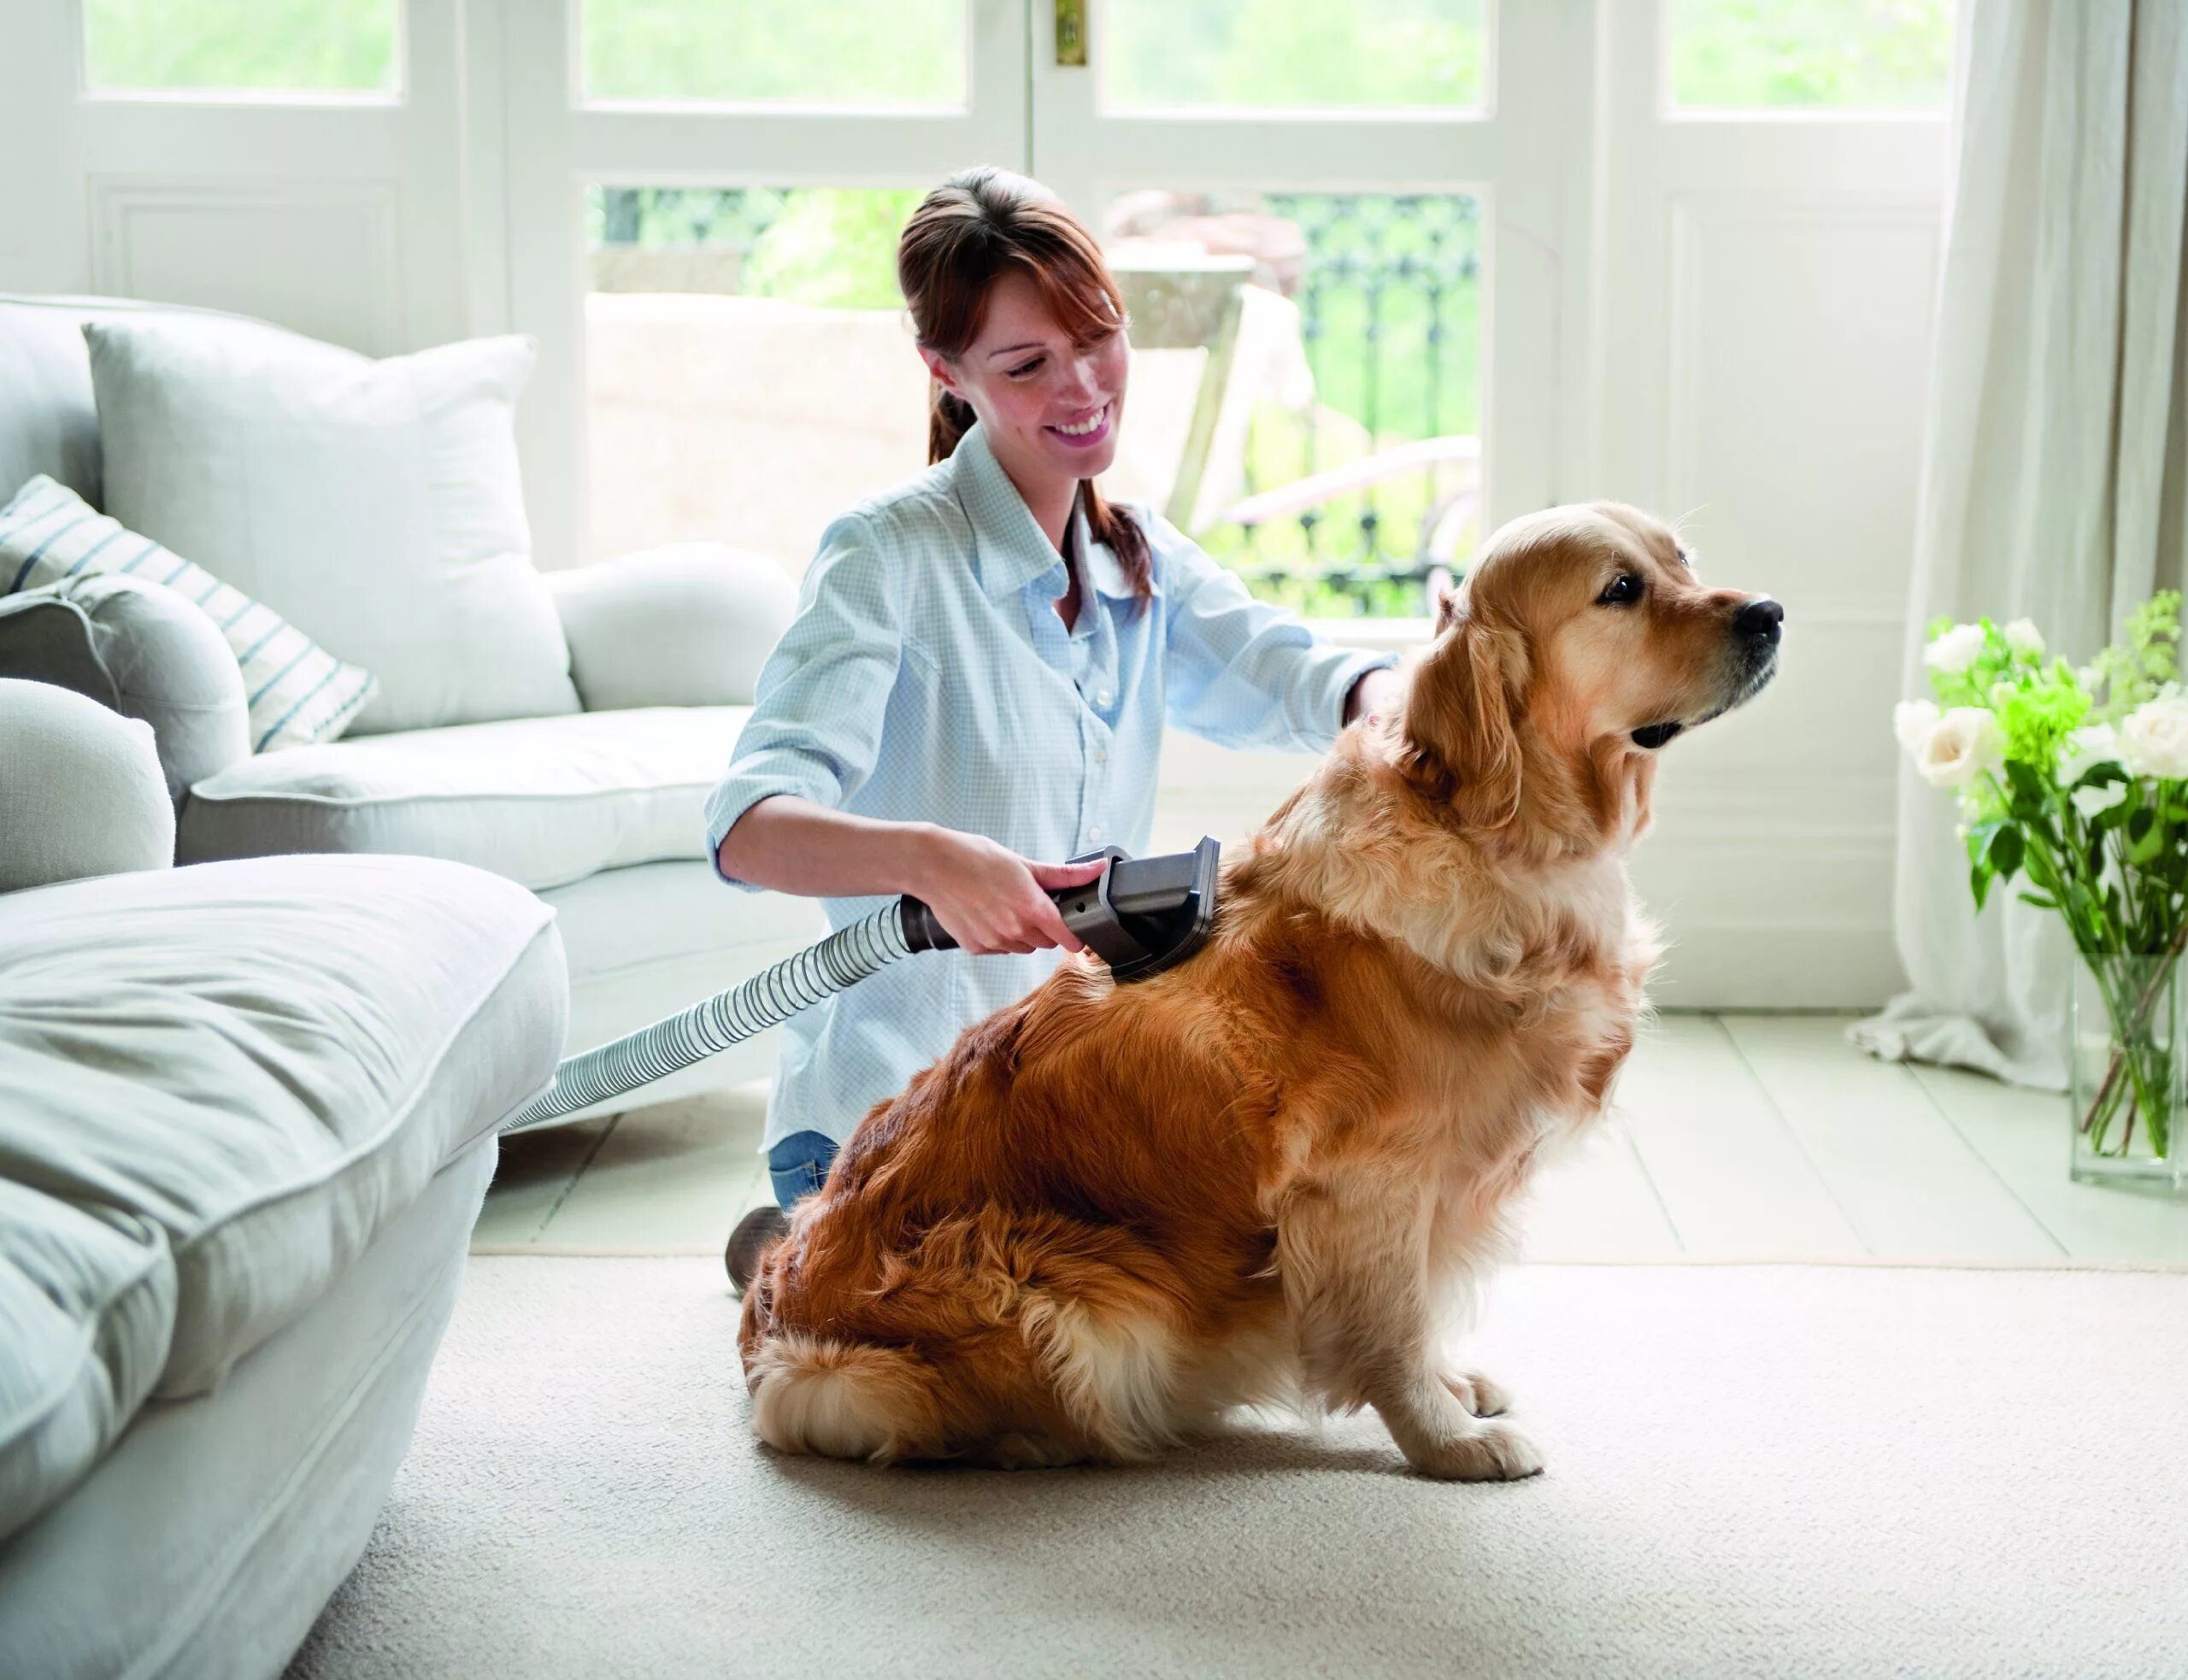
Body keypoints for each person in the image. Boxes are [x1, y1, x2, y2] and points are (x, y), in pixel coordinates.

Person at [709, 167, 1402, 1290]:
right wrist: (930, 861)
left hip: (1070, 1097)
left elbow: (1295, 672)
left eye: (1099, 338)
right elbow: (747, 826)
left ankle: (805, 1260)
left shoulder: (1142, 558)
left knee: (1267, 1281)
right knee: (1004, 1362)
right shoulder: (886, 555)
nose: (1084, 387)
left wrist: (1388, 696)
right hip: (893, 1110)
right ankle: (800, 1245)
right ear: (947, 372)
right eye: (1027, 364)